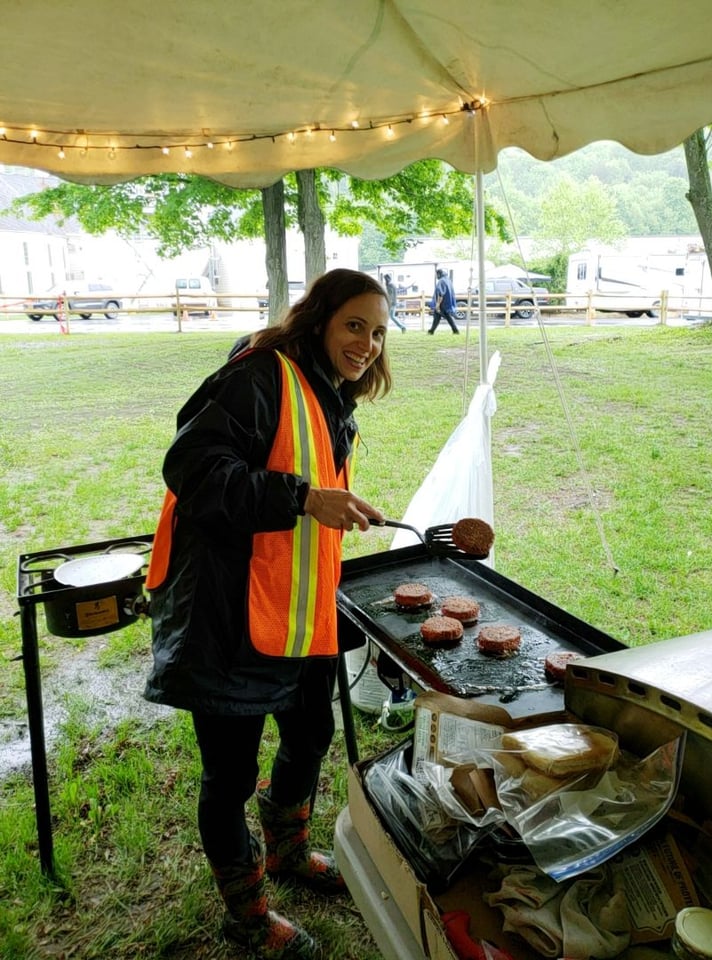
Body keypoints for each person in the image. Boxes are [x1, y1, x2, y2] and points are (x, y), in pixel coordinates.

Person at [143, 269, 392, 960]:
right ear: (318, 319)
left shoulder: (328, 392)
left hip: (295, 606)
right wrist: (305, 498)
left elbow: (294, 472)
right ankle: (247, 917)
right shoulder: (259, 374)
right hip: (226, 612)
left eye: (378, 332)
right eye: (355, 325)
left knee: (310, 733)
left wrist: (326, 500)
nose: (368, 343)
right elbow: (193, 468)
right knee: (227, 778)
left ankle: (285, 851)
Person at [429, 267, 460, 334]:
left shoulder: (441, 281)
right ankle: (431, 331)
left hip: (442, 303)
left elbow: (440, 293)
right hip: (447, 302)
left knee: (440, 316)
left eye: (436, 275)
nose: (436, 276)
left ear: (439, 274)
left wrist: (437, 304)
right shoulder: (448, 280)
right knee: (439, 316)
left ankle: (455, 330)